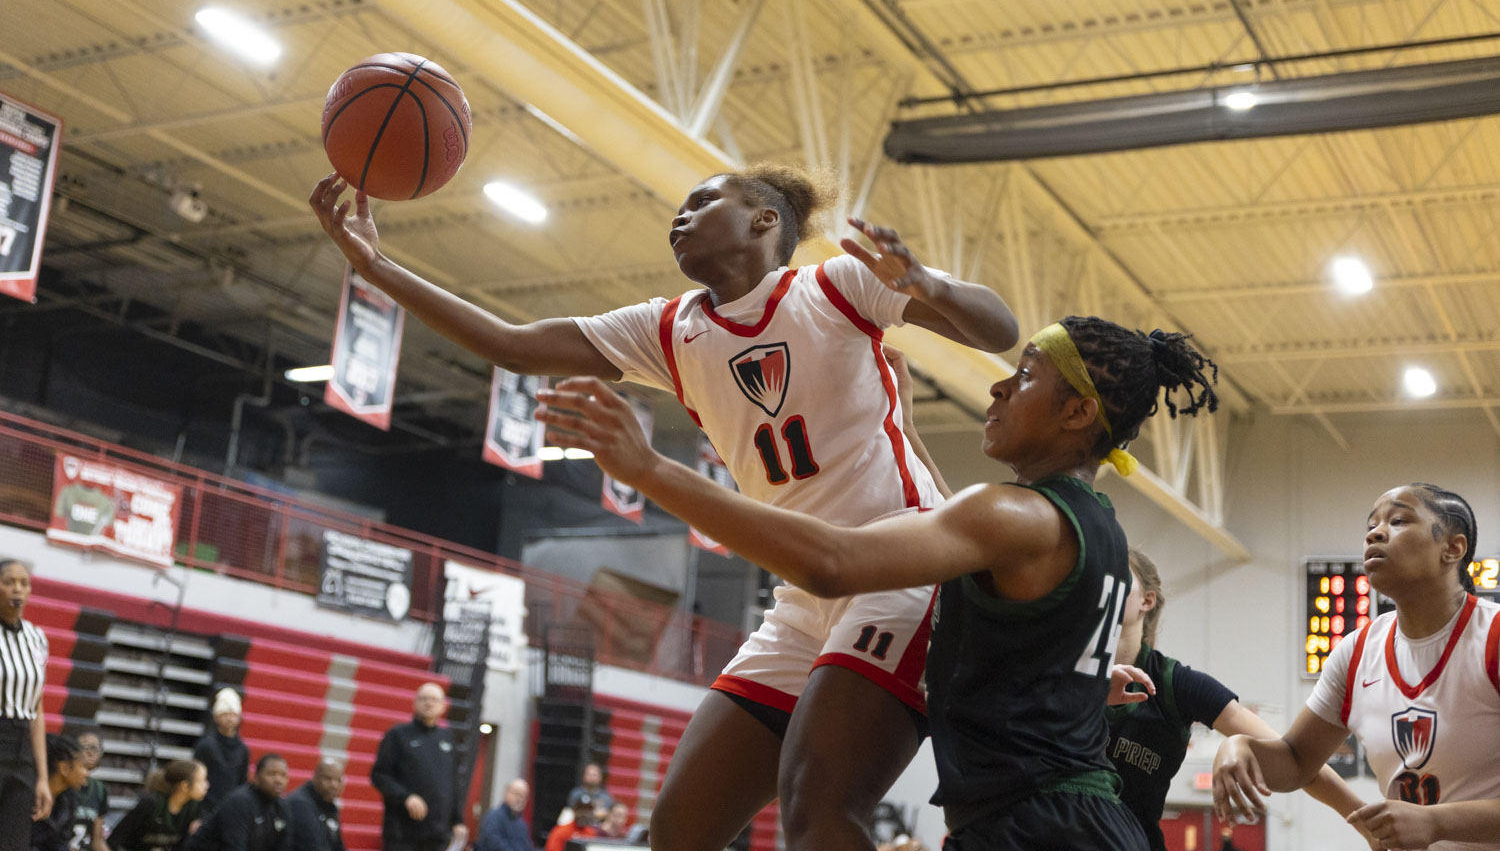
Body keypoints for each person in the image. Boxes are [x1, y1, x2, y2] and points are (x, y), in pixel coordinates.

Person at [311, 163, 1017, 851]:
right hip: (803, 598)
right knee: (679, 828)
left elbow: (998, 330)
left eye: (702, 201)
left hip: (901, 569)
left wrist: (929, 286)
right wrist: (375, 266)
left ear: (764, 220)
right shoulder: (669, 328)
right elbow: (514, 346)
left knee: (820, 807)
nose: (679, 217)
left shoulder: (837, 285)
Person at [536, 315, 1220, 850]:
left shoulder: (1016, 515)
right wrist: (908, 431)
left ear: (1077, 415)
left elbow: (831, 562)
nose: (1000, 387)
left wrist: (650, 469)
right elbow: (986, 557)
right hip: (1064, 818)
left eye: (1026, 375)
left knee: (816, 808)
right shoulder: (1095, 526)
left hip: (1042, 827)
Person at [1214, 482, 1500, 850]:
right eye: (1371, 526)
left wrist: (1435, 822)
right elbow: (1298, 760)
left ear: (1453, 548)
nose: (1376, 533)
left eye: (1398, 520)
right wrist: (1241, 748)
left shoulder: (1492, 637)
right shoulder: (1357, 651)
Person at [1109, 548, 1371, 851]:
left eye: (1119, 571)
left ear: (1147, 599)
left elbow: (1296, 758)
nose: (1106, 579)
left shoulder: (1175, 684)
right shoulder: (1061, 673)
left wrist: (1366, 821)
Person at [370, 683, 467, 851]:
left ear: (443, 706)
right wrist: (406, 797)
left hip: (438, 834)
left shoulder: (448, 738)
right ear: (414, 703)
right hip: (403, 833)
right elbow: (379, 775)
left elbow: (453, 783)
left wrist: (458, 821)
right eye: (424, 699)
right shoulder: (397, 735)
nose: (429, 703)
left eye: (435, 700)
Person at [0, 557, 51, 849]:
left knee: (14, 843)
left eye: (24, 583)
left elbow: (37, 708)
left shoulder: (36, 638)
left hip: (22, 752)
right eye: (9, 582)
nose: (17, 589)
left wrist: (42, 777)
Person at [182, 753, 289, 851]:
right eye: (272, 774)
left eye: (283, 775)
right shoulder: (240, 802)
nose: (278, 780)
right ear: (256, 777)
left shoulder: (281, 807)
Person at [107, 759, 207, 851]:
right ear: (184, 786)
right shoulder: (151, 804)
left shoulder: (193, 810)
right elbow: (114, 841)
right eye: (202, 781)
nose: (207, 785)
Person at [191, 691, 247, 814]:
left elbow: (242, 782)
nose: (229, 718)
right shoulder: (205, 745)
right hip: (206, 809)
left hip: (231, 809)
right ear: (216, 717)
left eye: (233, 714)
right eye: (224, 714)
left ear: (239, 717)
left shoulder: (243, 749)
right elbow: (194, 780)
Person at [31, 734, 88, 851]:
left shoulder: (70, 800)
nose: (86, 773)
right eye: (82, 766)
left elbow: (61, 844)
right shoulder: (24, 794)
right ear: (64, 768)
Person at [284, 758, 344, 851]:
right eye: (328, 779)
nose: (334, 785)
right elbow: (310, 846)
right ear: (315, 778)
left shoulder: (329, 805)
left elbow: (338, 846)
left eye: (338, 780)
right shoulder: (300, 804)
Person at [68, 731, 108, 851]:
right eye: (84, 747)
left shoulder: (99, 789)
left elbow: (97, 841)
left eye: (95, 748)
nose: (90, 753)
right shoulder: (65, 784)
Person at [476, 779, 531, 851]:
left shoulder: (522, 825)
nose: (519, 799)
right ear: (506, 793)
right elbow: (493, 844)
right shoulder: (493, 817)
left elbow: (527, 847)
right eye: (516, 794)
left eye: (523, 796)